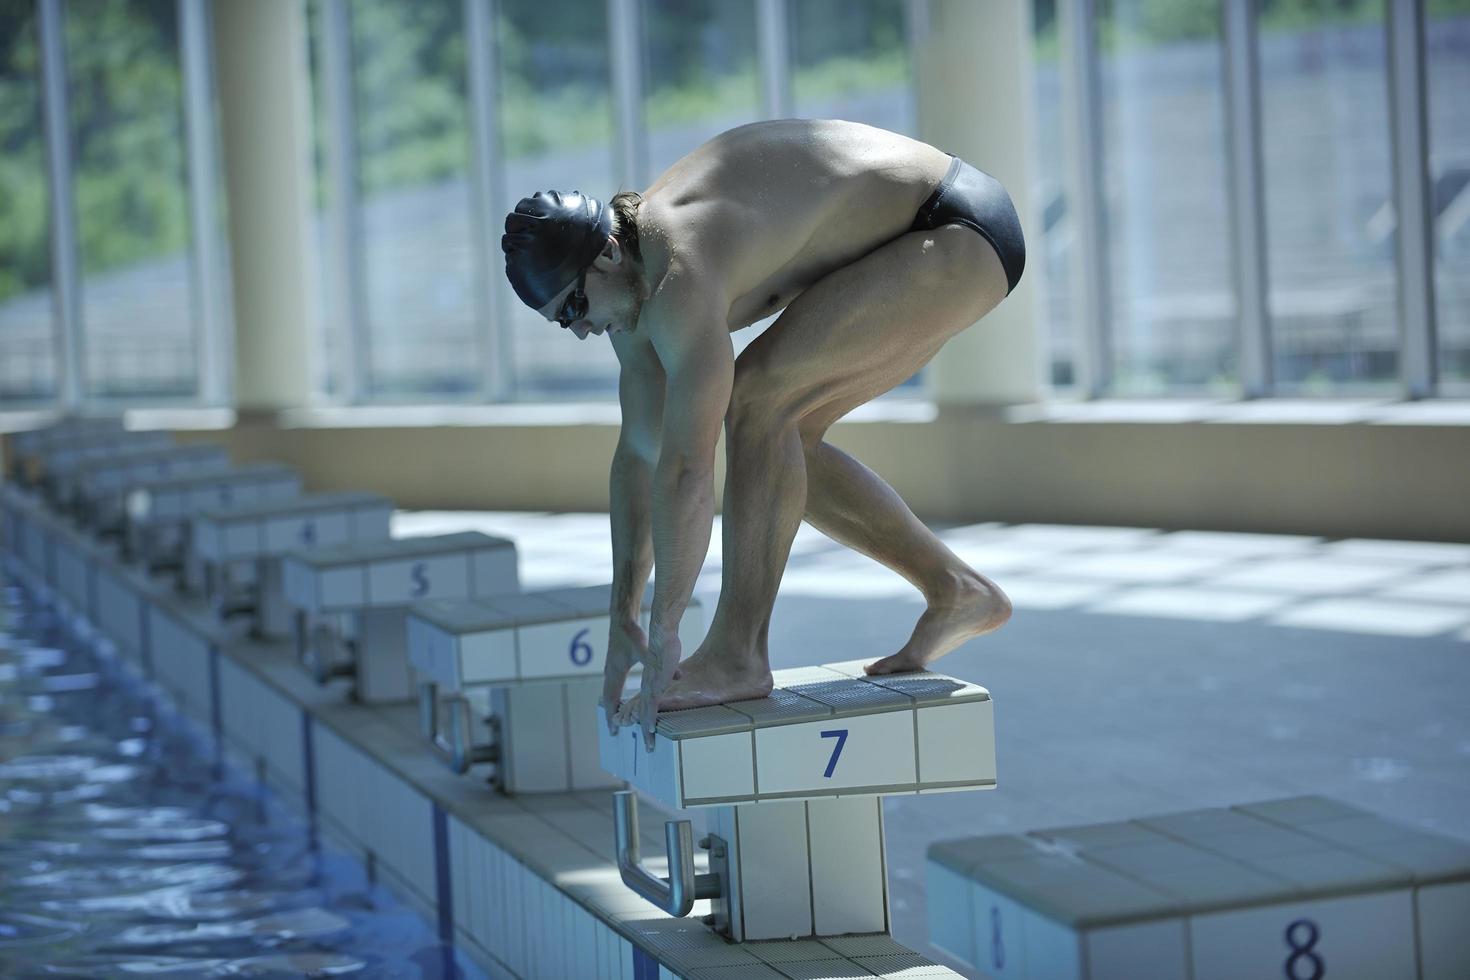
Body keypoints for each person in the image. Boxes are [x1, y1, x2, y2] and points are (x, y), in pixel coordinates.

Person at [502, 119, 1024, 750]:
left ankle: (738, 653)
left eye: (577, 309)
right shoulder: (629, 299)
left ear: (606, 255)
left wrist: (667, 628)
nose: (582, 331)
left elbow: (688, 470)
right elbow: (640, 457)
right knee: (785, 437)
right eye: (564, 323)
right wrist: (623, 617)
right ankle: (959, 592)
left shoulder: (677, 268)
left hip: (954, 229)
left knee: (756, 403)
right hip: (921, 236)